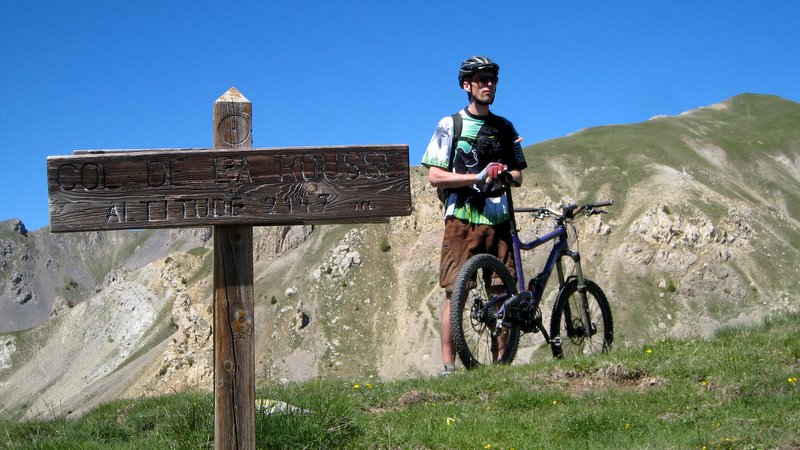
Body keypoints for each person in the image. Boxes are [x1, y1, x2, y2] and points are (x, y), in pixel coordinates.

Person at [421, 55, 527, 376]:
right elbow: (435, 176)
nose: (488, 85)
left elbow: (519, 176)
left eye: (492, 79)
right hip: (462, 220)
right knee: (457, 293)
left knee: (501, 293)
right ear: (467, 85)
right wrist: (476, 177)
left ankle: (500, 368)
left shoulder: (506, 128)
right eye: (481, 80)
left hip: (499, 219)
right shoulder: (449, 124)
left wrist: (502, 172)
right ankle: (449, 368)